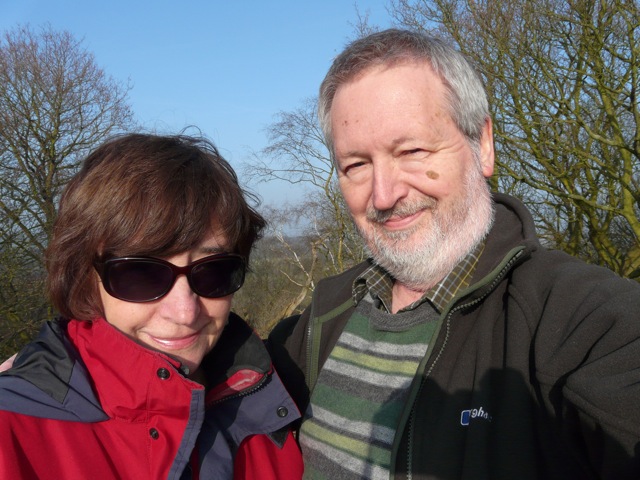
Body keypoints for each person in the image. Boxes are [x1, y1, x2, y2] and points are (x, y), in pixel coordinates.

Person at [268, 29, 640, 479]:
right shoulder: (322, 315)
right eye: (357, 165)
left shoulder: (582, 321)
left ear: (482, 145)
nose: (383, 195)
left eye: (412, 150)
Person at [0, 133, 303, 479]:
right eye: (141, 274)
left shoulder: (278, 407)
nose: (185, 311)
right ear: (85, 276)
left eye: (213, 271)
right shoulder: (12, 434)